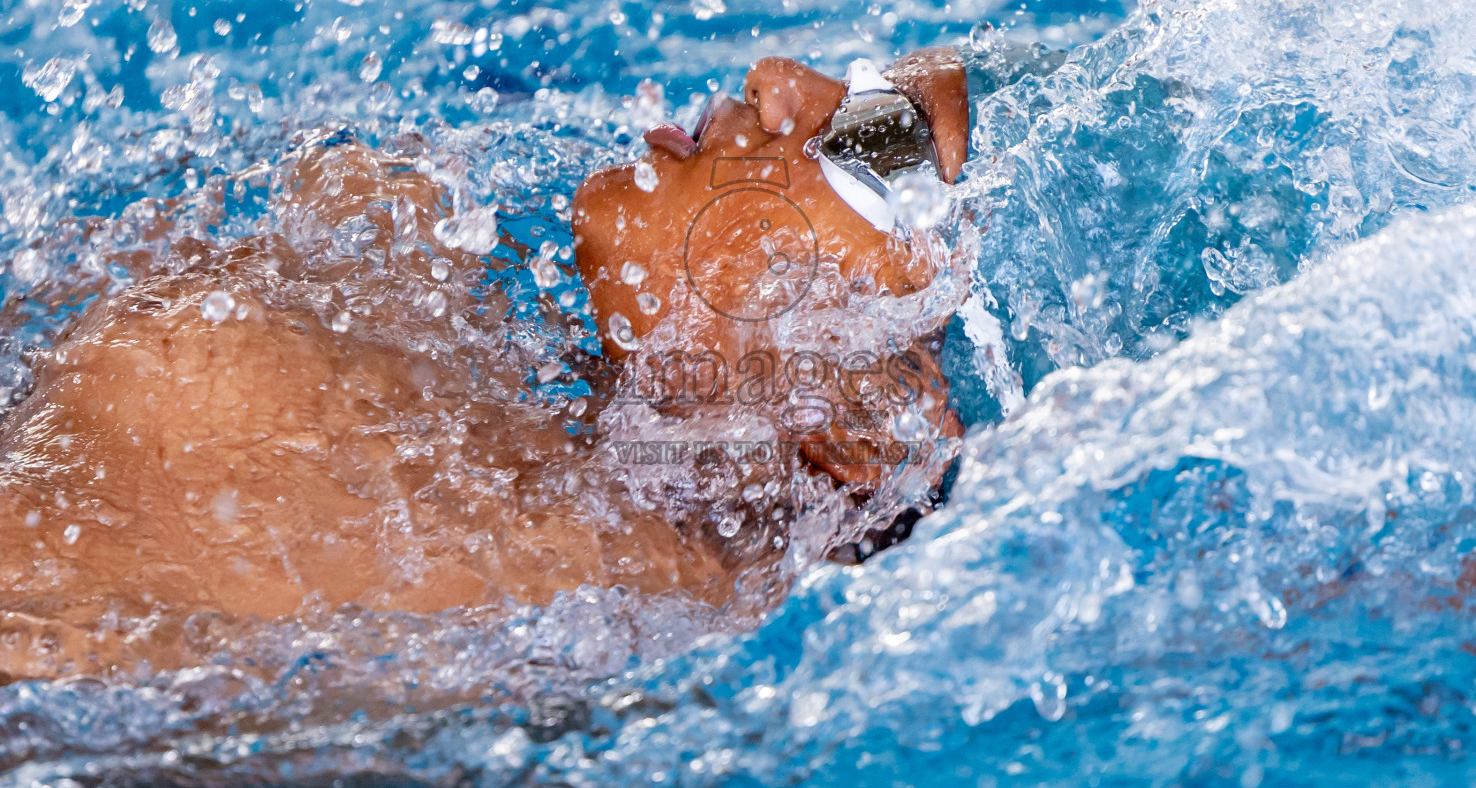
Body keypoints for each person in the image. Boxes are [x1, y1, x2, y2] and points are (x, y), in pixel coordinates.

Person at [0, 48, 972, 680]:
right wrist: (929, 83)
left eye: (855, 158)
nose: (777, 81)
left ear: (851, 431)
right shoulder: (524, 443)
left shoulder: (569, 591)